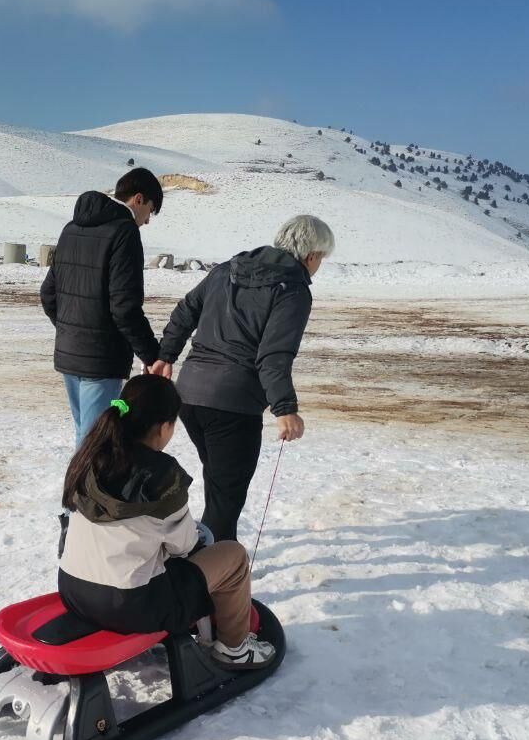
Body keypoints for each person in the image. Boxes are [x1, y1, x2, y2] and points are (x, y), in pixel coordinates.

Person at [59, 375, 275, 668]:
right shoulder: (161, 475)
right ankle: (234, 649)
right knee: (232, 556)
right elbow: (184, 546)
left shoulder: (89, 457)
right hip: (130, 606)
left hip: (73, 591)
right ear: (164, 427)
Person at [152, 214, 334, 543]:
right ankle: (211, 578)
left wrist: (166, 356)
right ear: (311, 256)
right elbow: (274, 355)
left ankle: (216, 564)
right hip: (232, 406)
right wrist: (285, 408)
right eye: (321, 259)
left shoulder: (228, 269)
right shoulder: (292, 289)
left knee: (221, 488)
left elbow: (185, 310)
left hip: (190, 396)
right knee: (225, 499)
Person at [40, 167, 163, 449]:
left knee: (85, 435)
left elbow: (48, 293)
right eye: (151, 211)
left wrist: (73, 330)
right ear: (139, 199)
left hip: (71, 354)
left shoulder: (71, 229)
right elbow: (124, 306)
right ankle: (83, 493)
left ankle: (81, 491)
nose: (147, 221)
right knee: (95, 444)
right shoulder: (125, 232)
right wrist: (150, 354)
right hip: (102, 358)